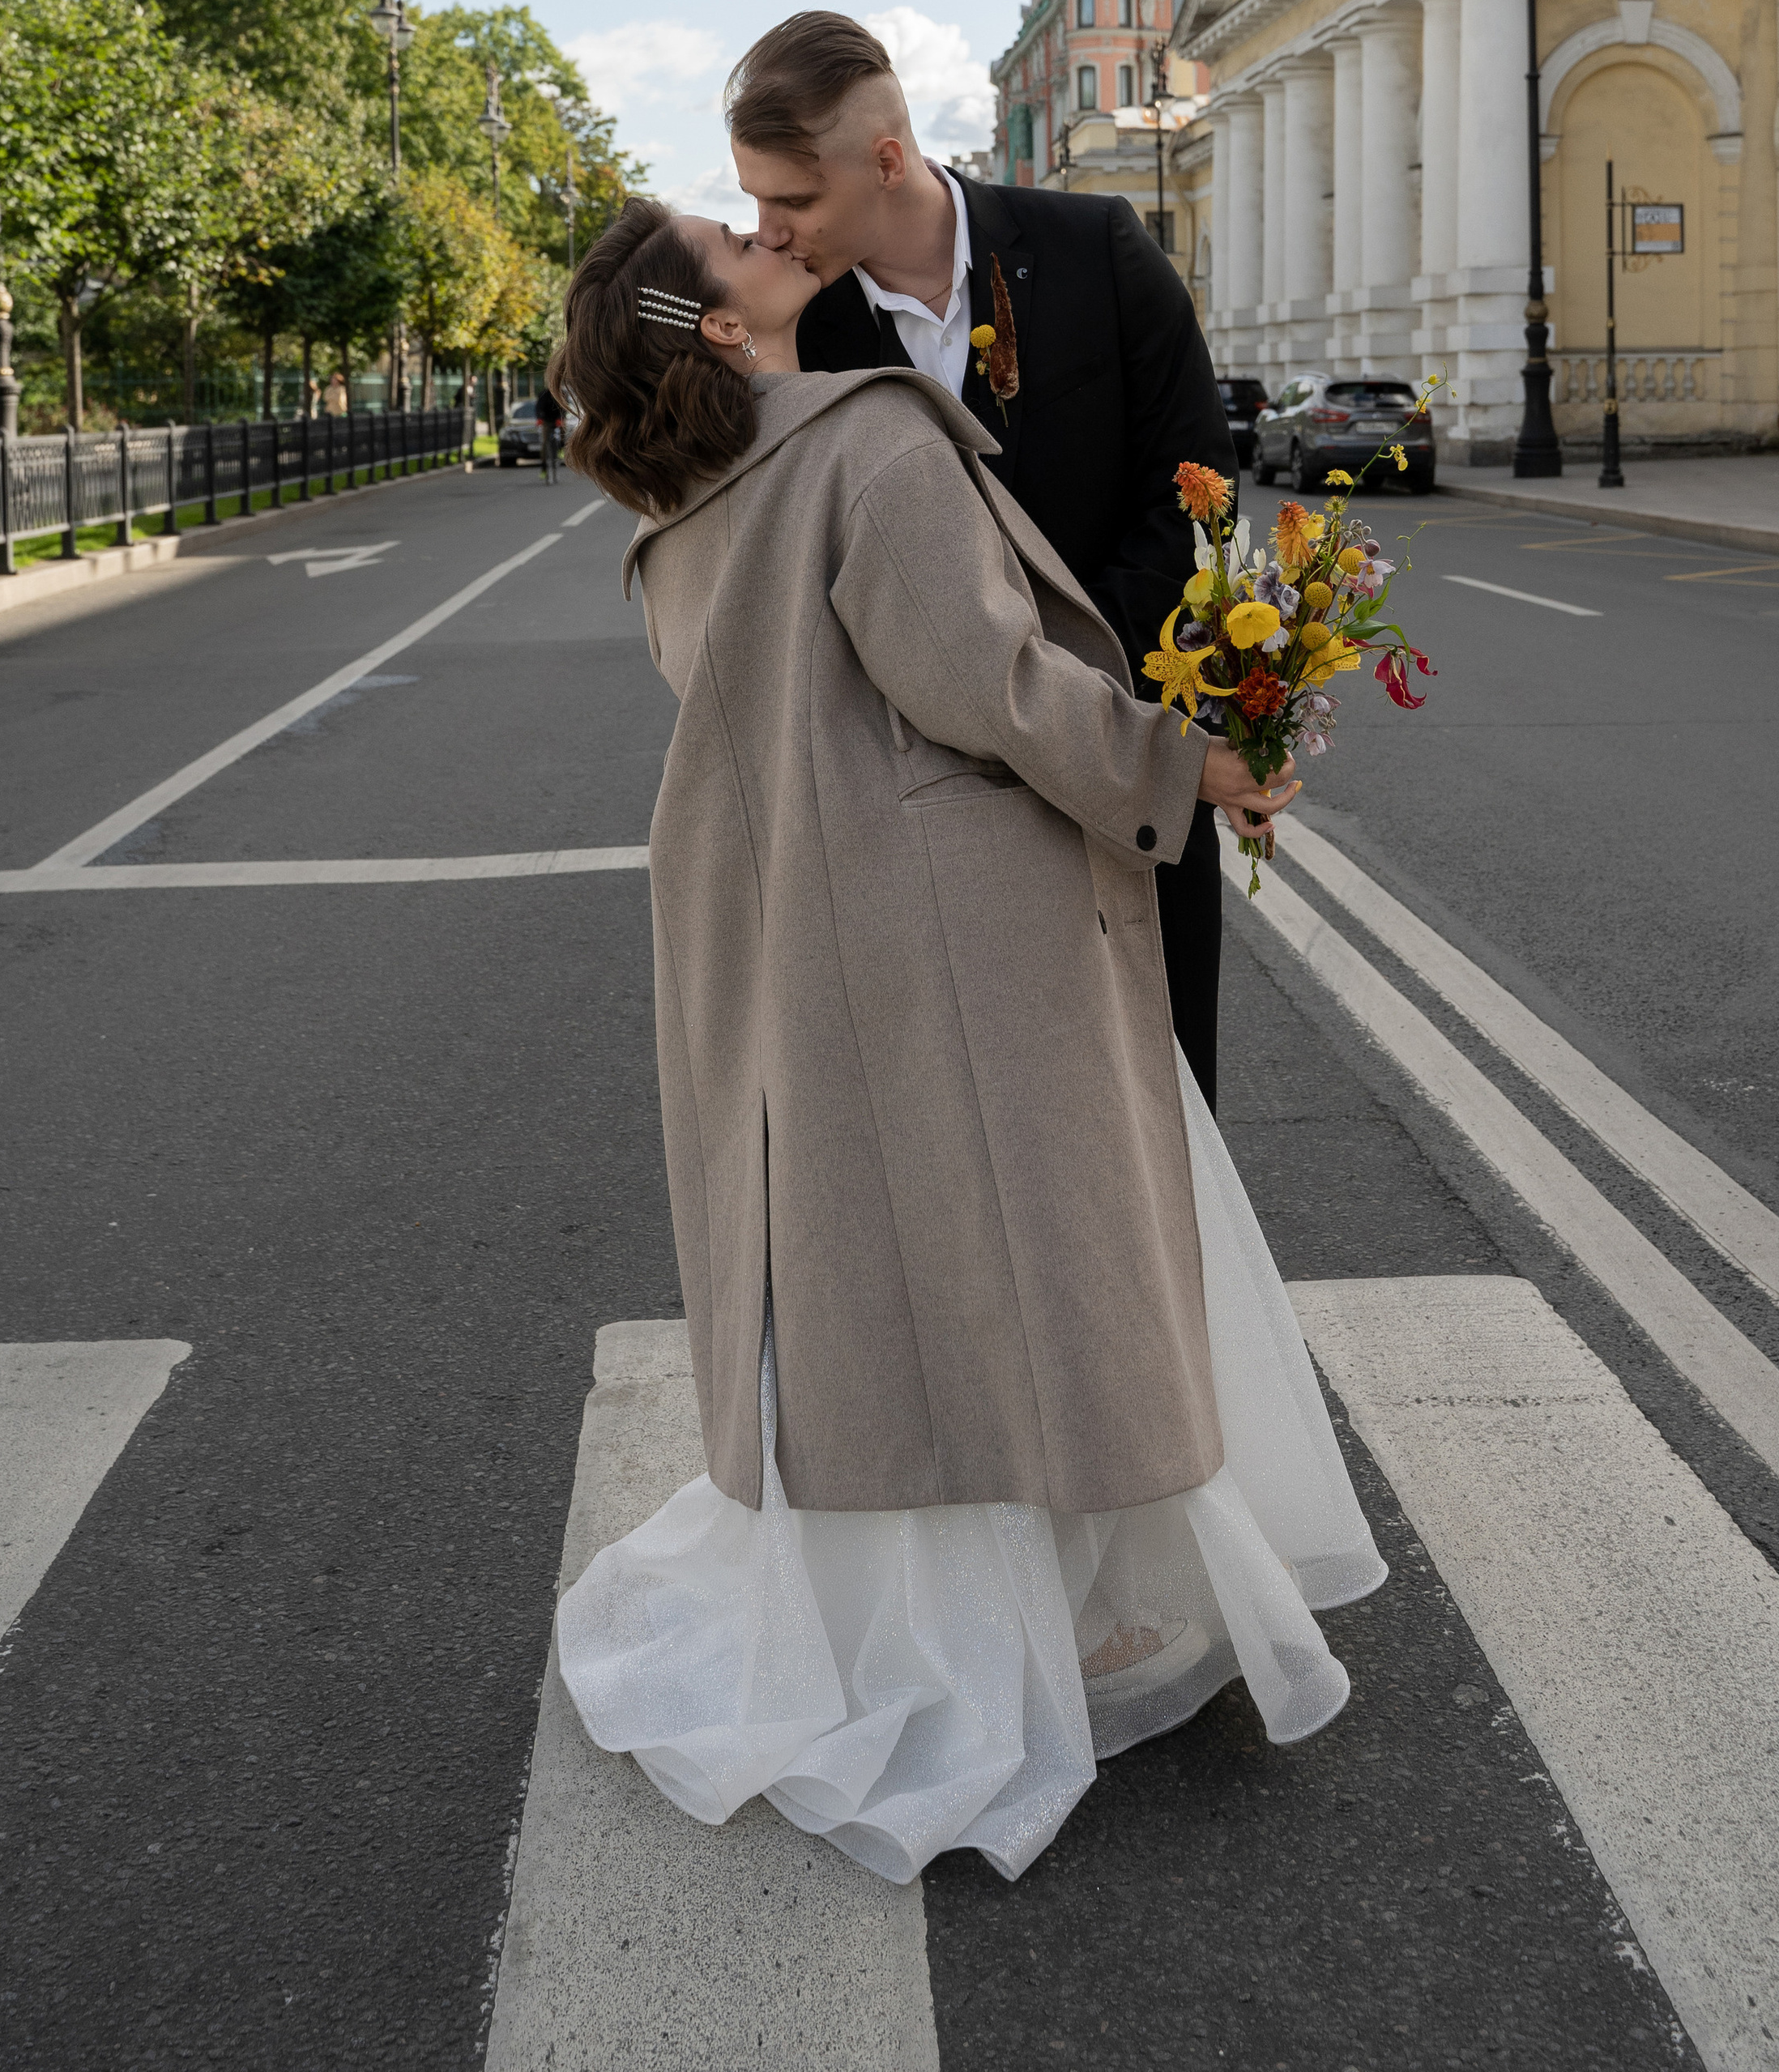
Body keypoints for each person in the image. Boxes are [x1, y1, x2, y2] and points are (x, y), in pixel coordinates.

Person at [547, 194, 1384, 1887]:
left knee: (888, 1280)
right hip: (955, 923)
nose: (766, 231)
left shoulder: (691, 496)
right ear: (721, 326)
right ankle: (1043, 1629)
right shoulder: (859, 442)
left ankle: (939, 1618)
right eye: (733, 242)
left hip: (795, 917)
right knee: (1035, 1253)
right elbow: (986, 684)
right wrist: (1183, 768)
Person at [726, 13, 1237, 1108]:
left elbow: (1193, 495)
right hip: (921, 816)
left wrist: (1055, 693)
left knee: (1166, 1114)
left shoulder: (1097, 248)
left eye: (793, 200)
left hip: (1123, 766)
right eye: (755, 201)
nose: (768, 233)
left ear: (887, 160)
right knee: (981, 1135)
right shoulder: (798, 330)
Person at [533, 377, 565, 484]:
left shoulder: (561, 394)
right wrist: (540, 418)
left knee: (564, 433)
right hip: (547, 421)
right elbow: (539, 407)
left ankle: (562, 448)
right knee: (545, 442)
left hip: (557, 420)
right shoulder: (544, 394)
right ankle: (544, 464)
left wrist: (561, 419)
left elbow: (564, 408)